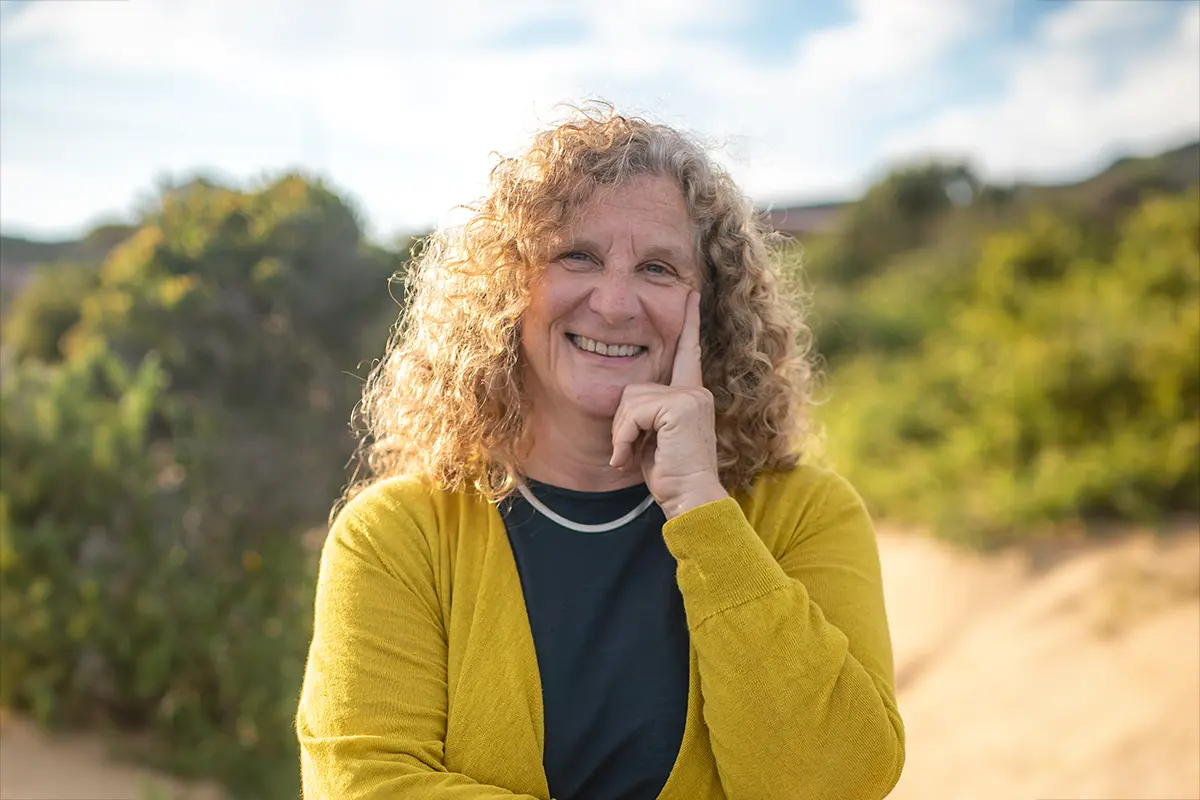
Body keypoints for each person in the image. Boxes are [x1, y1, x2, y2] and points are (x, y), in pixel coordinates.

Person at [296, 103, 905, 800]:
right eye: (576, 255)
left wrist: (702, 511)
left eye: (657, 267)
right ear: (508, 288)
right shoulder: (396, 537)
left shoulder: (804, 515)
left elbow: (840, 780)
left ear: (707, 307)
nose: (615, 304)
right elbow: (364, 786)